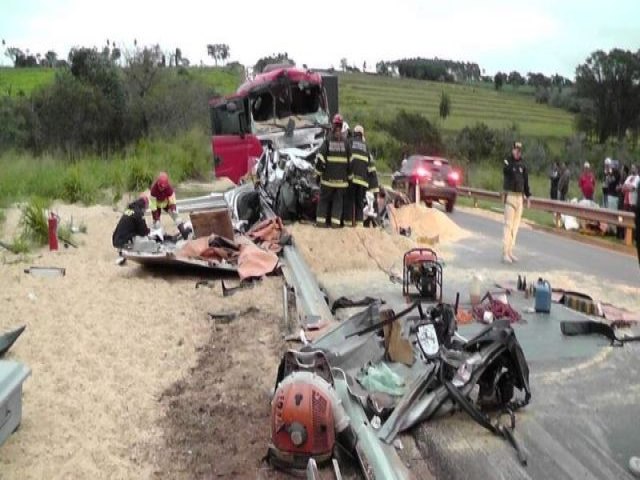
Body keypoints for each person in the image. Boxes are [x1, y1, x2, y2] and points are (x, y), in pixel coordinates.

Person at [315, 114, 351, 227]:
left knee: (324, 201)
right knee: (338, 203)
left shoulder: (327, 141)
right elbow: (351, 163)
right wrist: (349, 178)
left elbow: (320, 160)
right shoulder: (346, 143)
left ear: (333, 125)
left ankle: (321, 223)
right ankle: (335, 224)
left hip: (327, 181)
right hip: (341, 182)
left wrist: (317, 175)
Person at [502, 141, 531, 264]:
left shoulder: (523, 165)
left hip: (520, 197)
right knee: (508, 226)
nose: (517, 152)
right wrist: (512, 160)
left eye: (519, 150)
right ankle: (505, 252)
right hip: (510, 196)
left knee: (515, 226)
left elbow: (525, 181)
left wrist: (528, 196)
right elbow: (506, 171)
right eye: (515, 150)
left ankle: (510, 251)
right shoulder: (508, 162)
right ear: (512, 150)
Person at [342, 125, 372, 227]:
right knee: (359, 203)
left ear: (354, 133)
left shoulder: (350, 142)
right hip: (363, 180)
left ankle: (347, 224)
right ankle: (359, 225)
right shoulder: (366, 146)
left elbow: (345, 159)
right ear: (362, 135)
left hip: (352, 178)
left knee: (349, 201)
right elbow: (368, 163)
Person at [149, 172, 191, 240]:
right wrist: (156, 218)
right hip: (156, 205)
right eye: (160, 187)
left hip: (166, 203)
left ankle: (183, 232)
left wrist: (173, 209)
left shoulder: (169, 188)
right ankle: (158, 237)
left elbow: (172, 200)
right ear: (158, 184)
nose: (161, 189)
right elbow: (153, 206)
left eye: (163, 187)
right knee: (156, 223)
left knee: (176, 216)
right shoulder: (153, 190)